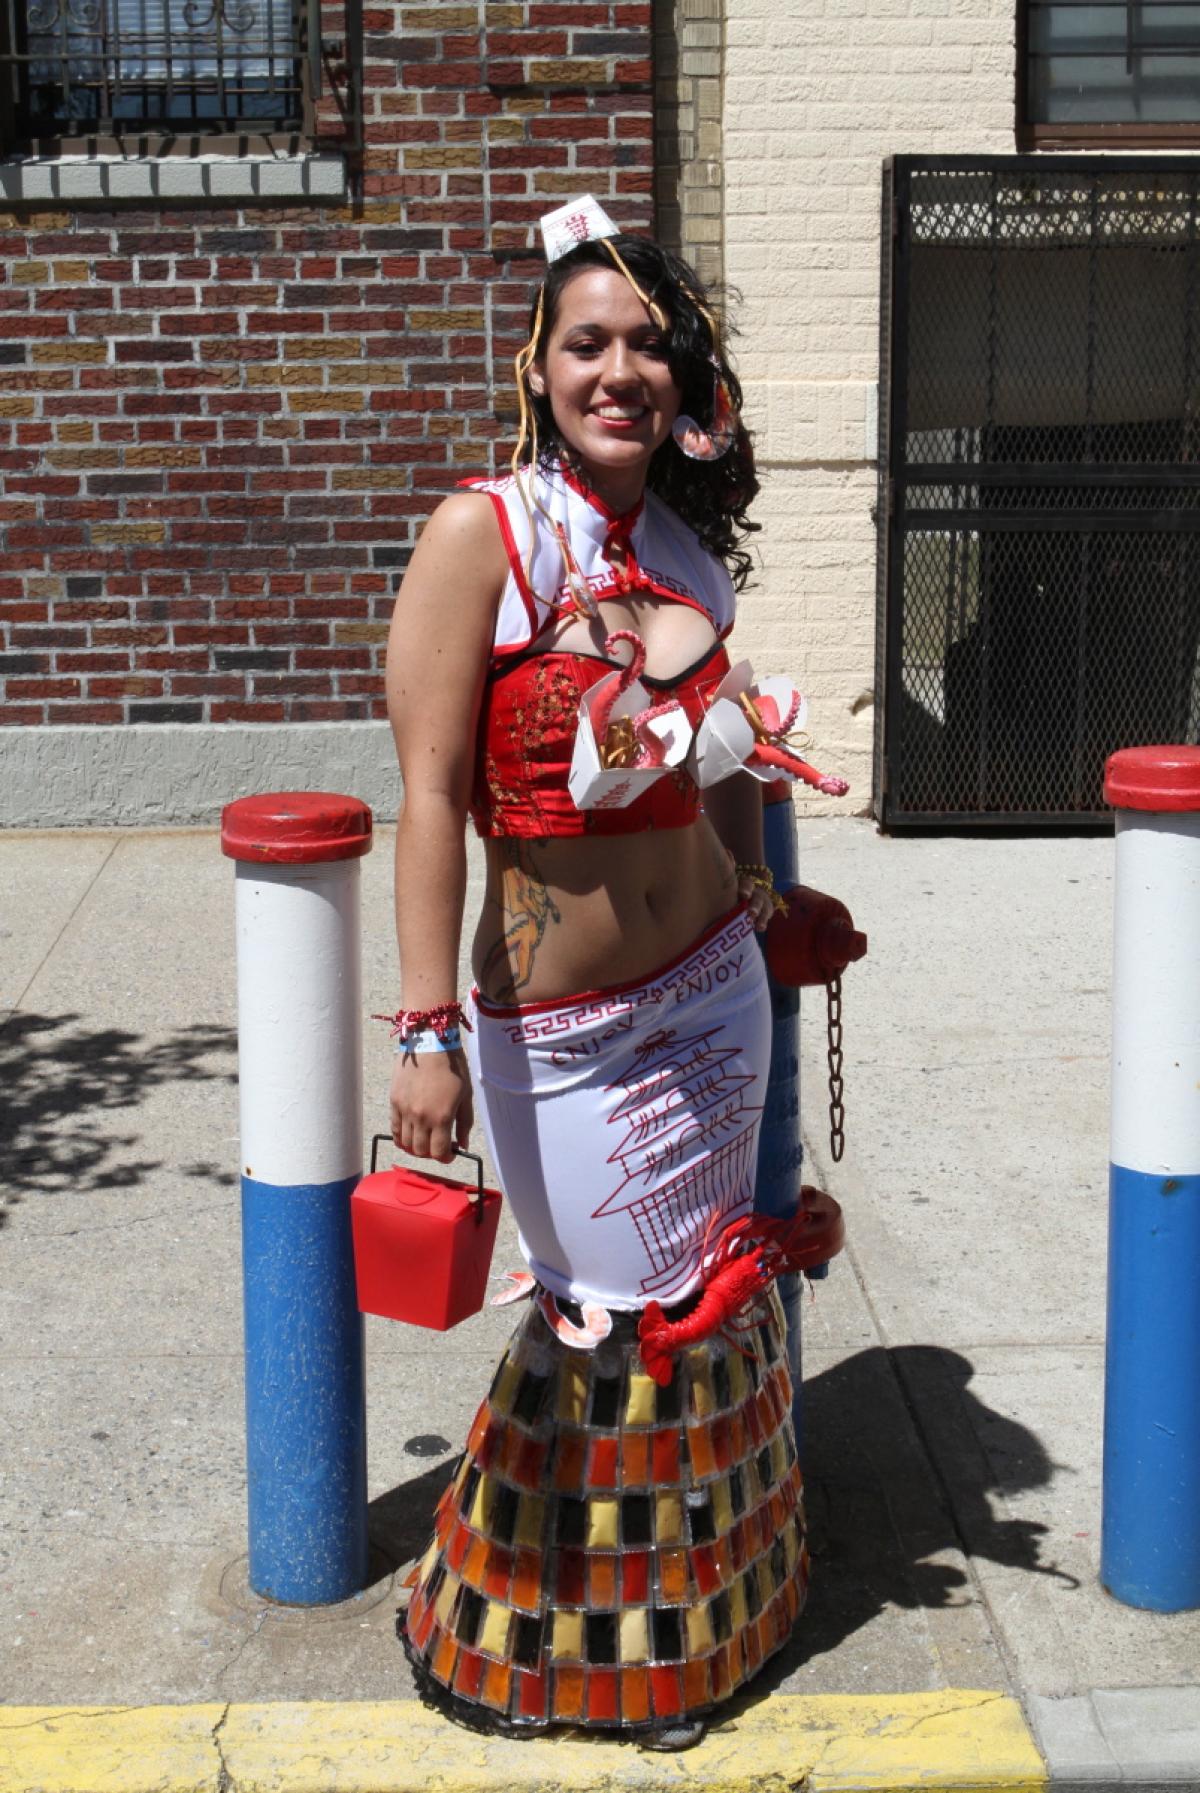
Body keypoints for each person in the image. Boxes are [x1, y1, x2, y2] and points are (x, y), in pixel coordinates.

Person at [383, 198, 808, 1748]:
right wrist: (424, 1027)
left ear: (683, 379)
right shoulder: (480, 537)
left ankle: (693, 1634)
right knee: (602, 1319)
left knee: (697, 1310)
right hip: (566, 1032)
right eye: (589, 344)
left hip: (712, 988)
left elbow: (721, 764)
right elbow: (429, 794)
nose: (618, 370)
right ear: (539, 368)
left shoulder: (689, 552)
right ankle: (536, 1631)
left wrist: (767, 894)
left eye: (647, 344)